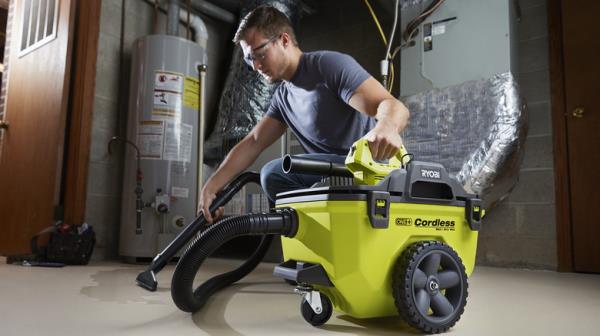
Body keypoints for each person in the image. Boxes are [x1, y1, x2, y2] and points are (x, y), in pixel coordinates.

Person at [199, 5, 410, 223]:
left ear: (284, 40)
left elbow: (392, 106)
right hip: (332, 177)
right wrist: (211, 186)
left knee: (274, 174)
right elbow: (254, 141)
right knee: (275, 180)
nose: (255, 66)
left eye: (259, 54)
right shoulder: (283, 97)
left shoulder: (328, 66)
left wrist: (386, 127)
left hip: (365, 172)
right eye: (248, 59)